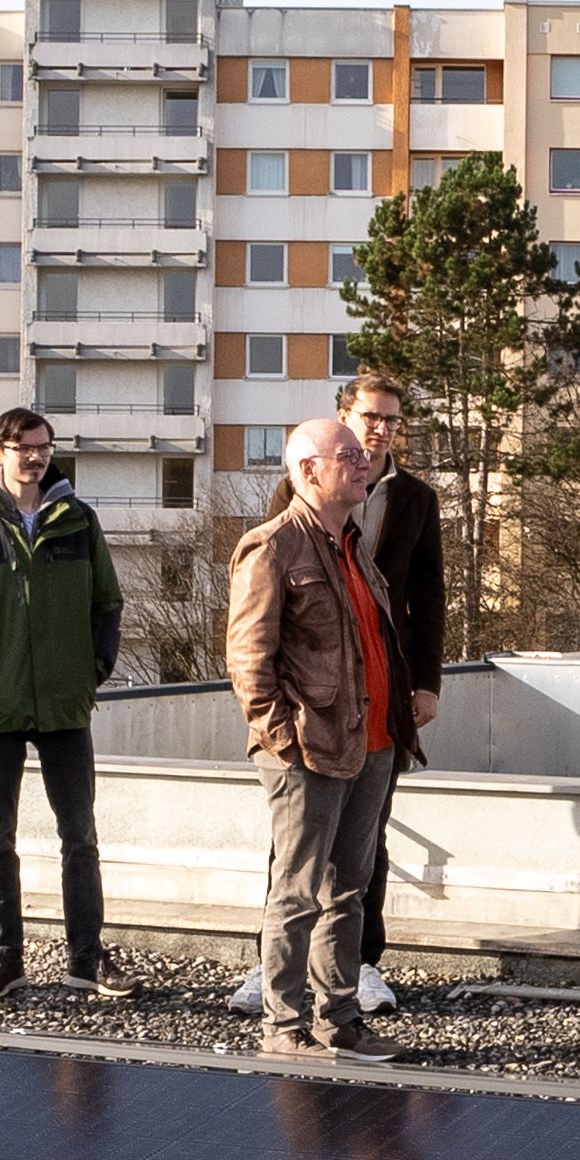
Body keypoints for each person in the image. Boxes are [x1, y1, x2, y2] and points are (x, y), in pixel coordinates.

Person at [237, 374, 441, 1019]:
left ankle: (346, 996)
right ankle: (280, 1003)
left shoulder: (393, 514)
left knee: (354, 872)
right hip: (313, 728)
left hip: (377, 722)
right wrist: (281, 734)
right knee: (297, 871)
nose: (378, 434)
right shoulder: (282, 529)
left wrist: (423, 685)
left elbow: (425, 599)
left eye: (390, 421)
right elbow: (252, 651)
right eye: (368, 420)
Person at [0, 406, 126, 1004]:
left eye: (42, 447)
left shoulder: (79, 521)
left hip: (66, 706)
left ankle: (86, 958)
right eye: (22, 448)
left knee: (80, 837)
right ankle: (5, 957)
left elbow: (107, 605)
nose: (34, 457)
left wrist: (91, 671)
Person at [223, 412, 405, 1063]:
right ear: (308, 470)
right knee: (298, 893)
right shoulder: (271, 546)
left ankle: (339, 1021)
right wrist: (284, 741)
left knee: (348, 891)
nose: (363, 463)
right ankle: (283, 1026)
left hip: (372, 744)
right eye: (347, 455)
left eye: (362, 455)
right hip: (308, 750)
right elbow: (248, 660)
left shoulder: (352, 544)